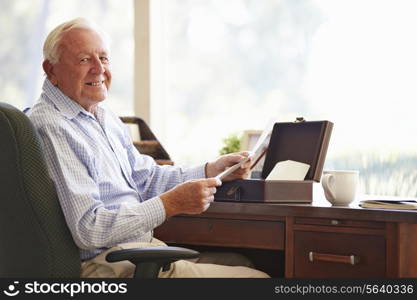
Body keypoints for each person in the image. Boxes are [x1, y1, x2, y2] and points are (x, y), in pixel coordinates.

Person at [27, 18, 269, 278]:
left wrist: (210, 169)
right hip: (105, 264)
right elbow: (90, 228)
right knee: (259, 280)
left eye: (104, 58)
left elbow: (145, 176)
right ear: (51, 70)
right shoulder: (52, 126)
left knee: (243, 262)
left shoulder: (100, 114)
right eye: (84, 59)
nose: (99, 69)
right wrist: (170, 204)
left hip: (135, 252)